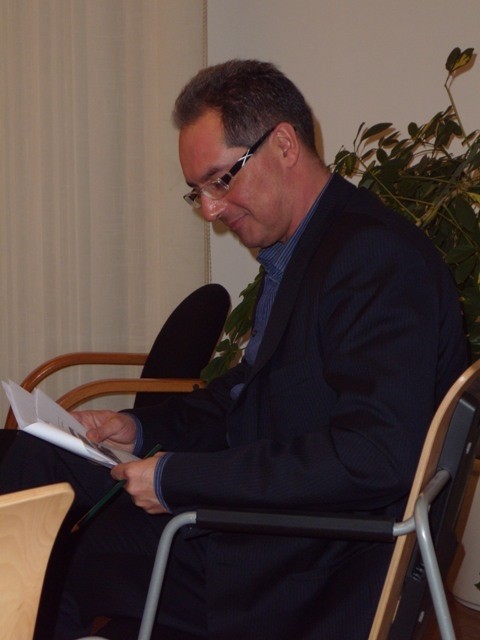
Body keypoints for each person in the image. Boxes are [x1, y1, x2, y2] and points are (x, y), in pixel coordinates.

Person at [0, 59, 469, 640]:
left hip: (300, 567)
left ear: (285, 145)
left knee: (44, 534)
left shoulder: (373, 258)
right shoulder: (312, 249)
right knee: (33, 460)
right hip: (273, 534)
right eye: (196, 192)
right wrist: (137, 429)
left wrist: (179, 478)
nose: (211, 211)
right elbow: (245, 397)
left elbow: (373, 455)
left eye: (221, 180)